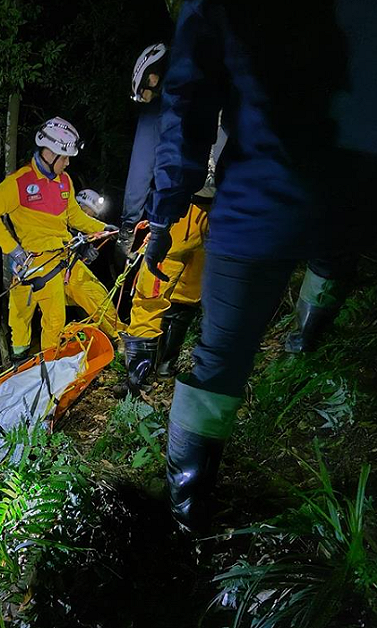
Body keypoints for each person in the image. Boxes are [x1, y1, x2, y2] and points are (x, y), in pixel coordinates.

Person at [146, 0, 372, 530]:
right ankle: (306, 339)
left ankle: (186, 516)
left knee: (219, 357)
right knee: (335, 251)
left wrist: (163, 215)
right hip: (360, 178)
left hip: (267, 185)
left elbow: (188, 101)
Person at [117, 43, 226, 395]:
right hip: (223, 211)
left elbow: (140, 172)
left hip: (179, 210)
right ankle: (166, 365)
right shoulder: (220, 88)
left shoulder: (162, 109)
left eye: (144, 93)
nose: (144, 101)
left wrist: (129, 225)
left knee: (150, 291)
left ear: (153, 77)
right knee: (189, 290)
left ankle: (137, 379)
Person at [0, 117, 122, 361]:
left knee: (93, 293)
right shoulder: (18, 183)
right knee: (38, 318)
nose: (67, 164)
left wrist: (102, 228)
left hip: (63, 255)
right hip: (35, 262)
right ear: (50, 153)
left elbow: (75, 216)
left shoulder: (64, 182)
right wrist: (13, 250)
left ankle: (121, 340)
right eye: (65, 158)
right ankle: (32, 363)